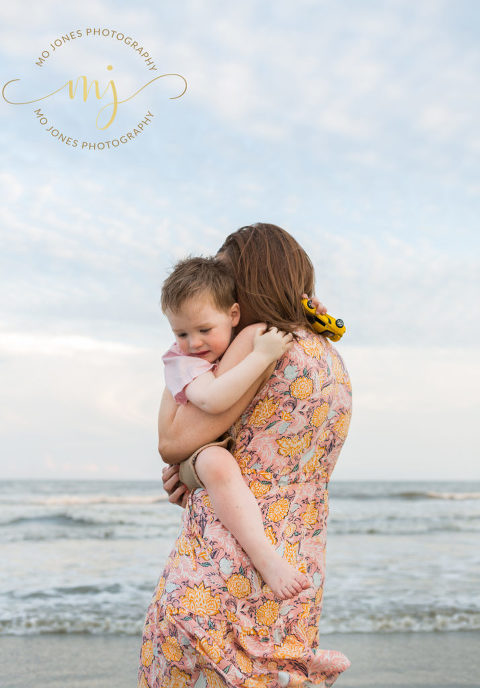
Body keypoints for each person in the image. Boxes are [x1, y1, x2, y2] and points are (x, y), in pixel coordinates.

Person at [138, 223, 352, 688]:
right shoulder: (328, 354)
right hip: (297, 556)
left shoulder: (259, 339)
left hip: (222, 562)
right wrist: (197, 470)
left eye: (227, 278)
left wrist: (179, 363)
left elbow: (172, 442)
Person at [160, 255, 310, 599]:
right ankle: (266, 560)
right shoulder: (181, 361)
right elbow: (212, 400)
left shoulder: (228, 338)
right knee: (216, 463)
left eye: (203, 330)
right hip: (201, 446)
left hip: (217, 438)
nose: (193, 343)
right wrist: (261, 356)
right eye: (180, 333)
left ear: (234, 315)